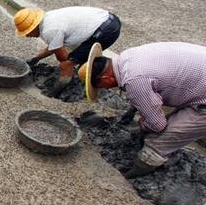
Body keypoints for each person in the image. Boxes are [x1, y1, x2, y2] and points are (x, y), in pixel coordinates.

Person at [79, 42, 206, 178]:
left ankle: (130, 177)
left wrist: (144, 123)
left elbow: (158, 125)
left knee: (159, 141)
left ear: (106, 78)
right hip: (199, 79)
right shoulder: (127, 56)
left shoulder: (134, 81)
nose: (105, 89)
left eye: (101, 86)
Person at [13, 6, 121, 96]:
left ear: (33, 27)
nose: (27, 36)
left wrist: (68, 65)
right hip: (108, 20)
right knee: (79, 59)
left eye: (27, 32)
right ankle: (87, 77)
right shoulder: (48, 18)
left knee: (66, 65)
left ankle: (55, 92)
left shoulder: (49, 30)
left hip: (106, 31)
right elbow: (54, 46)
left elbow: (62, 58)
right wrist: (36, 59)